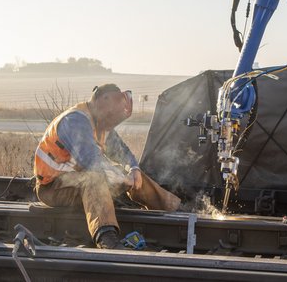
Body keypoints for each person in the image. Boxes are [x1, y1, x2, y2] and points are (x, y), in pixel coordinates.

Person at [34, 84, 181, 249]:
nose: (111, 122)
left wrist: (133, 169)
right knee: (94, 178)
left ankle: (173, 207)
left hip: (74, 182)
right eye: (111, 115)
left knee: (133, 175)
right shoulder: (75, 120)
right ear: (101, 101)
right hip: (53, 188)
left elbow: (122, 151)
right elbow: (91, 162)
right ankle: (107, 239)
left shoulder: (101, 123)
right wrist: (121, 178)